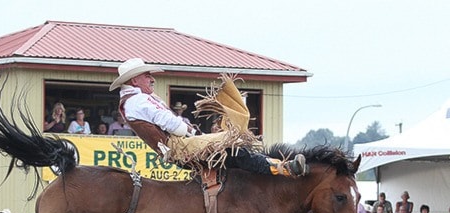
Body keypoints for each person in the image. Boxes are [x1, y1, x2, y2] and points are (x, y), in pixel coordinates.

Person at [109, 58, 308, 177]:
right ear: (134, 80)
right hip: (179, 147)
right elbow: (170, 123)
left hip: (177, 146)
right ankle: (283, 169)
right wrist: (189, 131)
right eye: (146, 76)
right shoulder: (138, 102)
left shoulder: (134, 100)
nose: (151, 78)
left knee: (234, 155)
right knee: (233, 150)